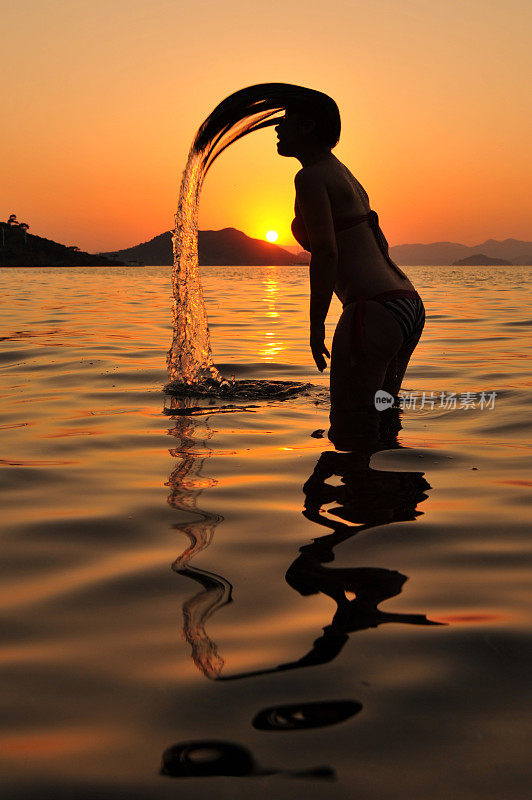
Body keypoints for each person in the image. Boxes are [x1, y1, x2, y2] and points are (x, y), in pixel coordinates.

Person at [274, 97, 425, 429]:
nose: (277, 127)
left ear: (307, 127)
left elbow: (327, 253)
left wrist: (316, 327)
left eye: (285, 120)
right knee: (382, 418)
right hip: (405, 303)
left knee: (349, 425)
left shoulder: (311, 177)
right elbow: (377, 240)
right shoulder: (342, 173)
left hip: (372, 308)